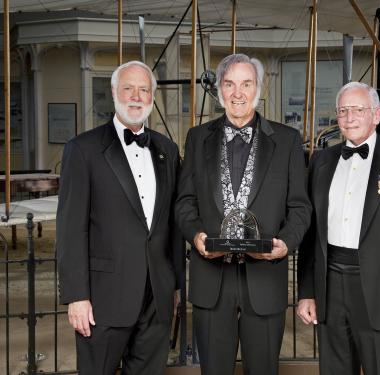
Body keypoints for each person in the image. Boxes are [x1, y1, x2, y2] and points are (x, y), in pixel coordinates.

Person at [175, 53, 311, 375]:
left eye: (246, 84)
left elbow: (300, 208)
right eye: (230, 84)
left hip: (265, 279)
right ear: (220, 90)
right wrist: (195, 235)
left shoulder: (288, 141)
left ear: (258, 89)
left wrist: (286, 244)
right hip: (212, 280)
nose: (238, 93)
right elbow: (184, 202)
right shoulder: (197, 138)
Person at [57, 60, 183, 375]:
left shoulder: (167, 149)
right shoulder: (82, 149)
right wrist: (76, 296)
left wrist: (176, 287)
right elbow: (71, 228)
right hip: (102, 300)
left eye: (144, 90)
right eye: (129, 88)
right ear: (114, 92)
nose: (136, 96)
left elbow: (172, 225)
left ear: (153, 97)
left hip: (156, 298)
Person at [297, 82, 380, 375]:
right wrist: (307, 291)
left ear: (377, 115)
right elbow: (310, 235)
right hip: (329, 286)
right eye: (343, 111)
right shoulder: (321, 161)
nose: (350, 117)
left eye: (358, 110)